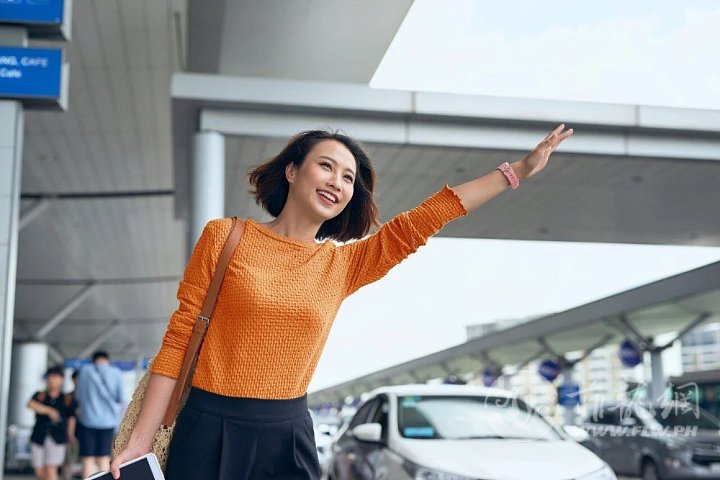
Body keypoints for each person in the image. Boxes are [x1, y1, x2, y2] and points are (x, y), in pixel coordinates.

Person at [111, 125, 573, 479]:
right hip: (209, 428)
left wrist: (515, 172)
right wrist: (140, 440)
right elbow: (178, 339)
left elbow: (421, 222)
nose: (337, 181)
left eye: (348, 177)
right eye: (326, 166)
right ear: (292, 171)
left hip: (288, 434)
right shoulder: (224, 237)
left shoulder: (343, 265)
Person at [75, 351, 124, 478]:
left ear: (93, 360)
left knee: (88, 459)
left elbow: (78, 396)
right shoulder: (116, 372)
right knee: (104, 457)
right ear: (108, 360)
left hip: (87, 421)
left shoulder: (85, 371)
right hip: (108, 422)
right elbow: (120, 397)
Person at [27, 365, 78, 480]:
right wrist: (50, 411)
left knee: (51, 468)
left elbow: (71, 418)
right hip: (39, 436)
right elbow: (30, 404)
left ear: (62, 379)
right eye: (51, 377)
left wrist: (70, 435)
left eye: (56, 377)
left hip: (58, 437)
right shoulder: (40, 395)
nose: (53, 380)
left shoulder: (67, 398)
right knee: (39, 471)